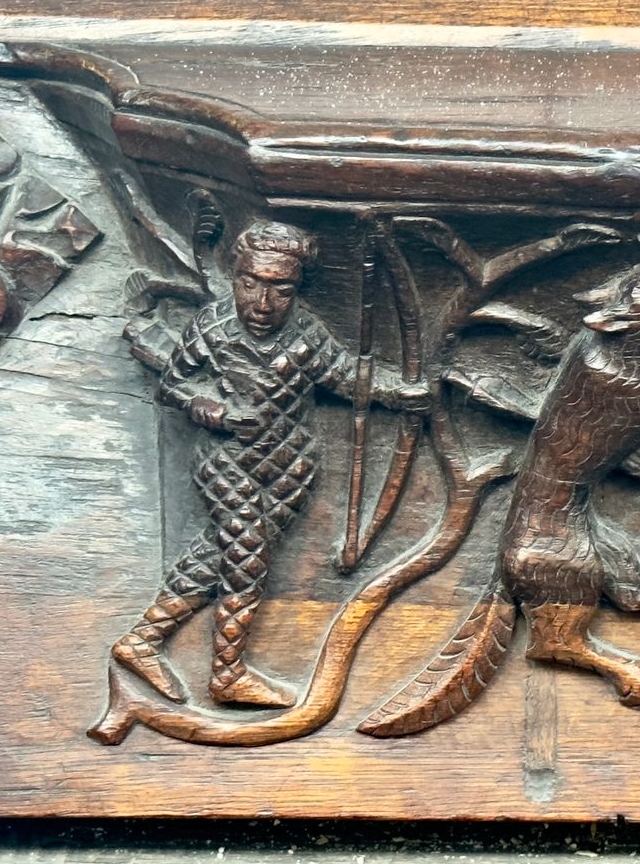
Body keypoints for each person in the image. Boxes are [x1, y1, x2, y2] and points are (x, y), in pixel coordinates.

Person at [112, 220, 426, 707]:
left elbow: (345, 377)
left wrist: (399, 391)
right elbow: (174, 384)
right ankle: (227, 673)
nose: (262, 304)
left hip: (290, 467)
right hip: (227, 459)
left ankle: (143, 639)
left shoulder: (306, 332)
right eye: (250, 284)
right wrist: (210, 409)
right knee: (249, 556)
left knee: (221, 554)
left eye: (281, 290)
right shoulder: (213, 326)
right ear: (236, 277)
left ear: (297, 288)